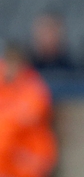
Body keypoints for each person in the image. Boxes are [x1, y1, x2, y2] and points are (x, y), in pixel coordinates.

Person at [0, 43, 59, 177]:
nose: (11, 67)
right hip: (6, 157)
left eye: (15, 61)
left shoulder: (34, 87)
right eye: (8, 61)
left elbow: (24, 117)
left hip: (31, 152)